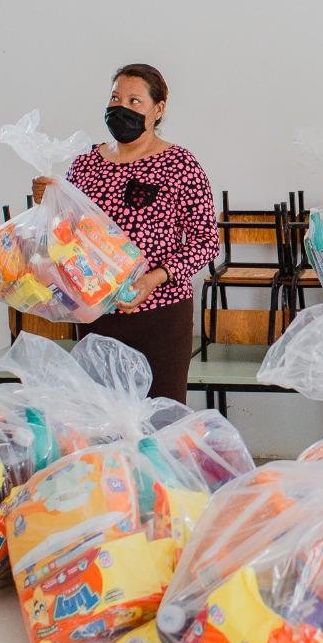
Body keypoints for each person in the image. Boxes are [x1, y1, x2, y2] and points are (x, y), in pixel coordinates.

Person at [38, 64, 218, 403]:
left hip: (160, 314)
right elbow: (66, 230)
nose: (122, 108)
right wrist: (48, 200)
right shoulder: (85, 163)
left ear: (158, 109)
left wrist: (153, 279)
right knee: (102, 417)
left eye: (135, 101)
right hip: (96, 313)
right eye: (115, 98)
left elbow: (206, 241)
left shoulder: (180, 165)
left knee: (160, 417)